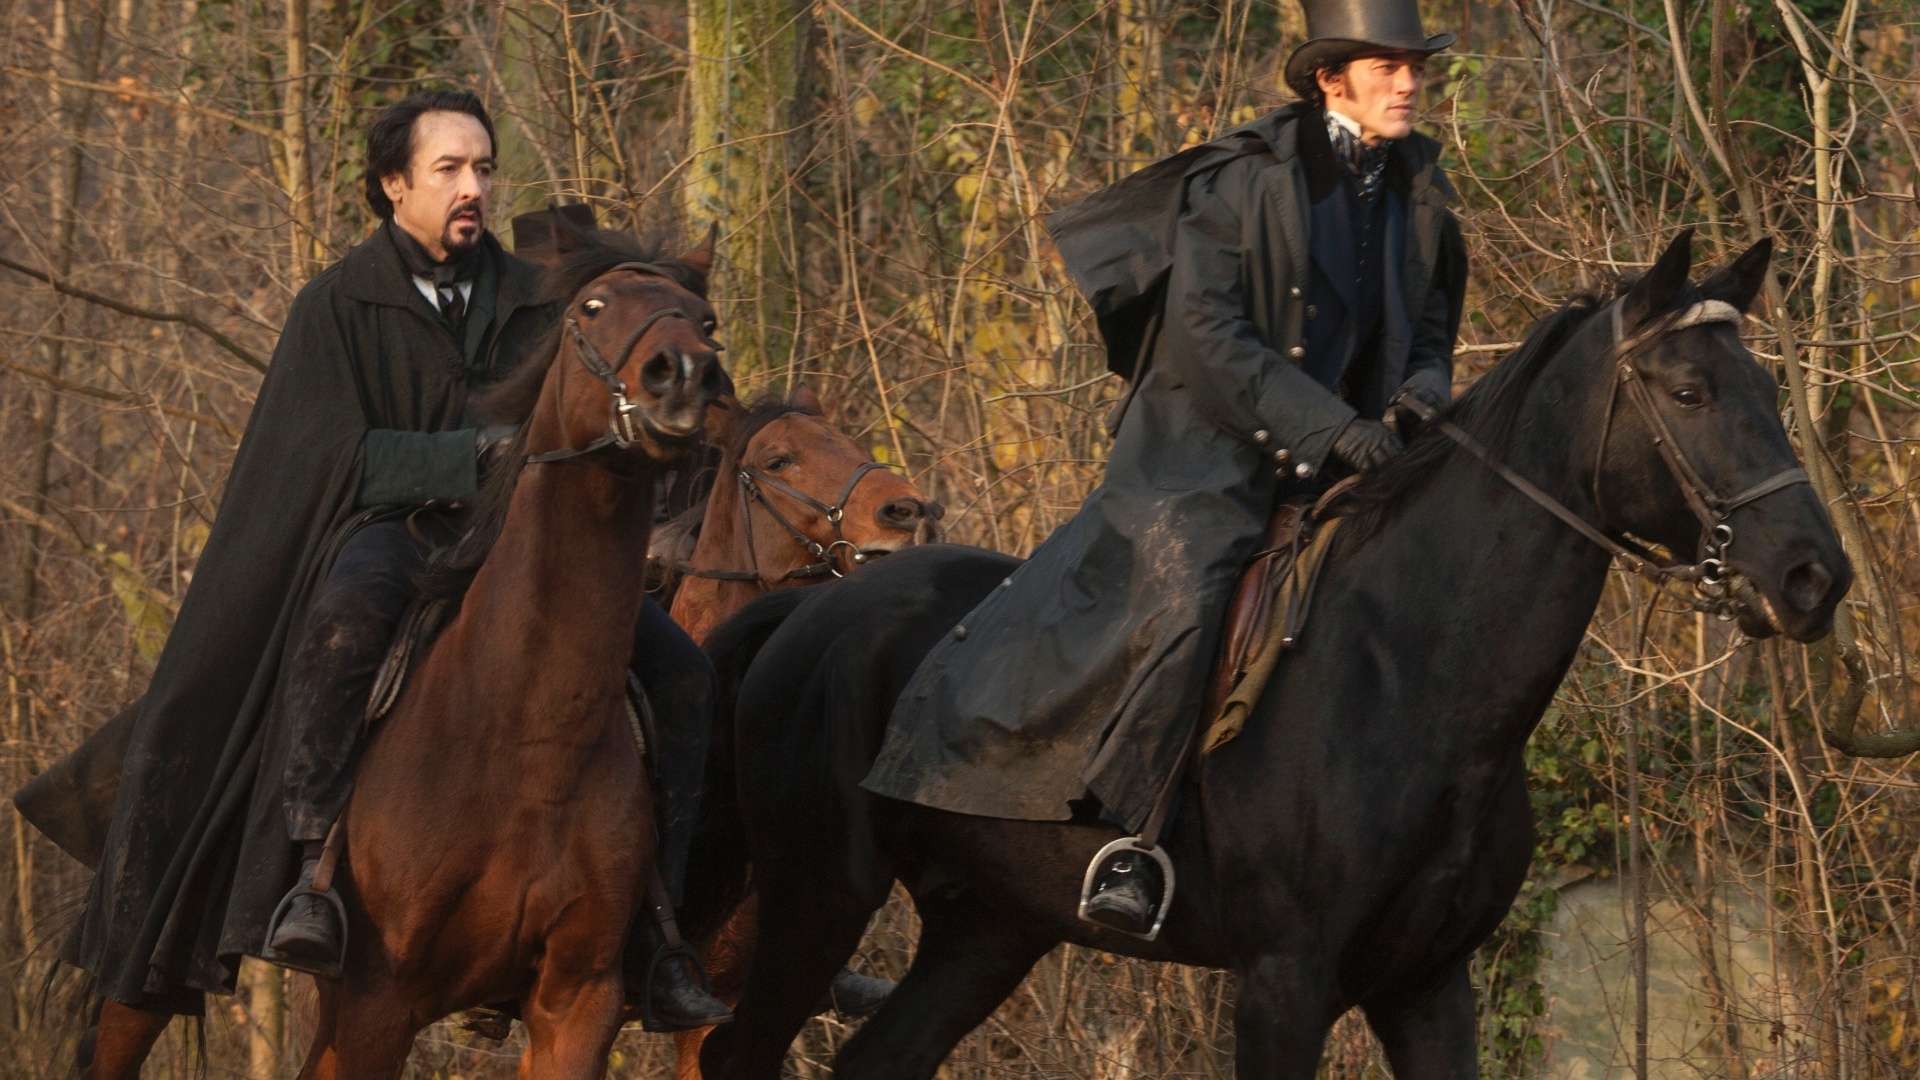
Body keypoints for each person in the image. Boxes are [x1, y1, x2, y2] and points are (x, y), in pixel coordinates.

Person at [60, 90, 730, 1029]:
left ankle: (660, 932)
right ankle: (314, 882)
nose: (474, 189)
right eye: (450, 169)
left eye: (485, 169)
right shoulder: (335, 305)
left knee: (686, 675)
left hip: (526, 551)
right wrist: (475, 456)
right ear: (393, 184)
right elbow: (329, 454)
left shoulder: (539, 300)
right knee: (341, 628)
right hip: (396, 532)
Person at [861, 0, 1468, 936]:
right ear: (1328, 78)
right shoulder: (1238, 183)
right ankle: (1133, 842)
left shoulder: (1421, 189)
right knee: (1189, 600)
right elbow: (1210, 340)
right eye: (1387, 65)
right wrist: (1331, 429)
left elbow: (1430, 326)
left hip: (1348, 456)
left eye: (1415, 65)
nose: (1409, 81)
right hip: (1203, 450)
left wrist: (1424, 389)